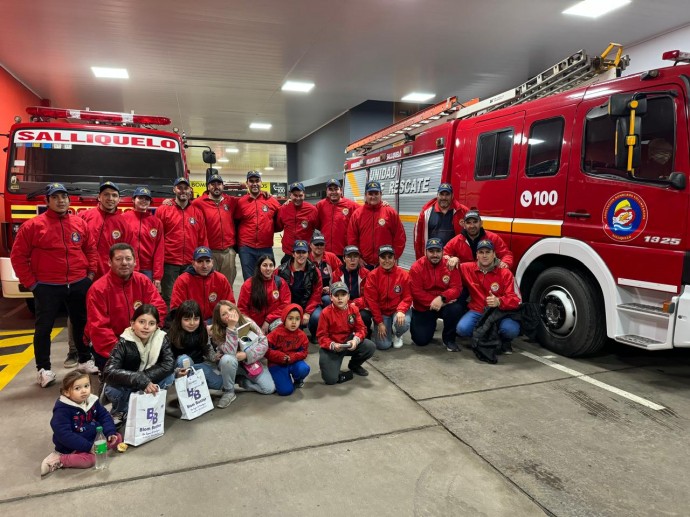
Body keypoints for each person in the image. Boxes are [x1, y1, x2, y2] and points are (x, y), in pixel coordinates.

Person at [10, 183, 99, 387]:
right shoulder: (32, 226)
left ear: (69, 200)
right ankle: (44, 369)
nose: (61, 200)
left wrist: (90, 275)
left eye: (64, 197)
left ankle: (84, 359)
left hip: (78, 283)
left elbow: (90, 249)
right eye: (56, 197)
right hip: (47, 286)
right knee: (44, 328)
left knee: (81, 323)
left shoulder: (79, 223)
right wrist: (32, 284)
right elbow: (18, 257)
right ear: (47, 201)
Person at [86, 243, 167, 371]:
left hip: (143, 337)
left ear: (135, 262)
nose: (124, 263)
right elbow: (99, 329)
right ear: (109, 262)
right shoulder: (98, 290)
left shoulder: (143, 281)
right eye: (118, 259)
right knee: (117, 388)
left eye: (128, 258)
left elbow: (159, 308)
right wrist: (124, 352)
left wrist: (147, 335)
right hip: (114, 344)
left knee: (165, 372)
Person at [102, 304, 175, 424]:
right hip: (127, 385)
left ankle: (148, 405)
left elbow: (168, 364)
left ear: (157, 326)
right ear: (132, 323)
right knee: (112, 390)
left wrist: (144, 379)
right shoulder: (123, 342)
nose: (146, 327)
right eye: (141, 322)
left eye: (151, 323)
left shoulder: (161, 338)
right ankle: (120, 410)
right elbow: (108, 372)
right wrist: (138, 379)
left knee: (169, 377)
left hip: (146, 381)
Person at [41, 369, 122, 476]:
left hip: (93, 439)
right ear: (66, 392)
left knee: (118, 437)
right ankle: (60, 460)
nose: (84, 391)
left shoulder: (92, 401)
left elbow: (104, 416)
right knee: (89, 461)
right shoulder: (62, 409)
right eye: (77, 388)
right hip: (73, 447)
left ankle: (101, 447)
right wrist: (88, 447)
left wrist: (110, 433)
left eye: (86, 386)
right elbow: (64, 434)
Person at [166, 300, 239, 409]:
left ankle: (200, 389)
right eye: (187, 319)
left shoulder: (202, 330)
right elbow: (167, 359)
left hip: (199, 366)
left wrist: (214, 357)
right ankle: (186, 396)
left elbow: (207, 348)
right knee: (184, 360)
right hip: (180, 368)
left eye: (196, 319)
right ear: (179, 319)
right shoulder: (170, 334)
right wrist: (175, 373)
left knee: (220, 384)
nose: (192, 323)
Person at [456, 240, 522, 351]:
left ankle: (504, 341)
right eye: (481, 252)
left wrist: (499, 301)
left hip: (501, 312)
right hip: (478, 310)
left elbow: (517, 300)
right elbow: (446, 267)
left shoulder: (505, 273)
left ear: (494, 254)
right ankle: (484, 338)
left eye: (488, 252)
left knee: (511, 330)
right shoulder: (466, 268)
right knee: (462, 329)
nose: (484, 255)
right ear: (477, 255)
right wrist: (452, 259)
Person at [207, 300, 275, 403]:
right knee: (227, 359)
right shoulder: (218, 331)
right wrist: (231, 327)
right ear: (219, 319)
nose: (229, 314)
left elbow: (264, 342)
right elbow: (230, 352)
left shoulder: (247, 321)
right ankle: (229, 391)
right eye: (224, 314)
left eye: (230, 309)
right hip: (231, 365)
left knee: (269, 388)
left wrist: (247, 355)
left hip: (251, 363)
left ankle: (242, 381)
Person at [156, 177, 208, 305]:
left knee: (190, 296)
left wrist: (203, 259)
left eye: (186, 188)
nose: (183, 191)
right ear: (174, 190)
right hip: (169, 262)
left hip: (190, 263)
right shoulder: (163, 210)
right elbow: (158, 238)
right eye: (180, 188)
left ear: (190, 190)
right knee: (169, 296)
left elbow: (202, 237)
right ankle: (170, 324)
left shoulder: (197, 212)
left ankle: (189, 323)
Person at [409, 238, 464, 351]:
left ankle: (448, 339)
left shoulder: (450, 265)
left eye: (438, 251)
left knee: (456, 308)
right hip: (424, 307)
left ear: (443, 252)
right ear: (425, 252)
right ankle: (429, 325)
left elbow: (457, 287)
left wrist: (442, 298)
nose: (435, 255)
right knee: (420, 340)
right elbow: (416, 292)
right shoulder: (416, 267)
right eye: (431, 251)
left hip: (444, 303)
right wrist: (435, 302)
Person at [317, 281, 376, 385]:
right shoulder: (325, 313)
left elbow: (361, 329)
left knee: (370, 346)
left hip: (348, 343)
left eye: (343, 295)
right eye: (336, 295)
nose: (340, 298)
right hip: (332, 347)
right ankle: (332, 368)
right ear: (331, 297)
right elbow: (321, 336)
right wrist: (333, 345)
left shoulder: (354, 309)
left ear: (348, 296)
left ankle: (354, 365)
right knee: (330, 380)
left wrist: (355, 340)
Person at [363, 245, 413, 350]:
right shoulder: (372, 276)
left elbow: (408, 296)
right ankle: (388, 327)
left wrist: (401, 310)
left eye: (390, 257)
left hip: (397, 310)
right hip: (382, 313)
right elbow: (372, 302)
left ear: (395, 258)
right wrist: (379, 322)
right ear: (379, 259)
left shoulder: (404, 275)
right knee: (383, 345)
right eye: (383, 257)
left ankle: (398, 334)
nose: (387, 260)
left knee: (401, 323)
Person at [193, 174, 239, 287]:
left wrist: (264, 193)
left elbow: (250, 199)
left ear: (223, 186)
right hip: (209, 253)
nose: (216, 186)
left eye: (219, 184)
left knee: (227, 286)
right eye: (213, 184)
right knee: (209, 286)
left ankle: (226, 305)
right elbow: (182, 204)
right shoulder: (198, 203)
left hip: (228, 252)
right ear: (208, 187)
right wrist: (170, 201)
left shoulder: (231, 201)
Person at [347, 180, 406, 268]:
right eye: (370, 194)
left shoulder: (390, 212)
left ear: (381, 194)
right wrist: (357, 258)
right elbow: (352, 239)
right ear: (365, 195)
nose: (373, 197)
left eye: (376, 193)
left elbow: (400, 237)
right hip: (364, 265)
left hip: (386, 264)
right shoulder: (357, 214)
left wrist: (393, 258)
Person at [234, 170, 281, 280]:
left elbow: (281, 216)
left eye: (257, 181)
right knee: (249, 279)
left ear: (261, 182)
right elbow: (235, 222)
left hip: (266, 247)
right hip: (246, 248)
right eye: (251, 181)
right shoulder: (240, 202)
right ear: (247, 183)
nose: (254, 183)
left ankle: (266, 297)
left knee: (268, 278)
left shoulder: (271, 200)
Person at [170, 246, 235, 323]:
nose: (204, 266)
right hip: (191, 322)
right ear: (193, 263)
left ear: (212, 263)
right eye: (200, 261)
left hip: (216, 322)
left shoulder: (221, 279)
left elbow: (230, 305)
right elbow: (177, 308)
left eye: (208, 261)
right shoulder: (183, 280)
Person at [79, 181, 130, 278]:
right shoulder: (83, 216)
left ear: (119, 199)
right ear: (99, 197)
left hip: (109, 275)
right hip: (83, 273)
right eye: (106, 194)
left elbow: (130, 251)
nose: (110, 198)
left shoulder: (124, 224)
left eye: (114, 195)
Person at [276, 240, 323, 339]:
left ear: (308, 254)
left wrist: (308, 312)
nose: (301, 255)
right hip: (288, 306)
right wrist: (288, 311)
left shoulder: (315, 271)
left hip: (307, 306)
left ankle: (314, 334)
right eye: (298, 252)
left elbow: (317, 294)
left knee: (317, 317)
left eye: (304, 252)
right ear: (293, 254)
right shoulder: (280, 271)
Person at [121, 186, 164, 291]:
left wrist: (157, 276)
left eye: (147, 199)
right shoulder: (123, 218)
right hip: (126, 267)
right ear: (133, 200)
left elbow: (159, 250)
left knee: (145, 300)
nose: (143, 201)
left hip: (148, 270)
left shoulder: (156, 222)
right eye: (140, 198)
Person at [237, 255, 291, 334]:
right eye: (265, 265)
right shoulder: (248, 284)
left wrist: (268, 320)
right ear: (259, 267)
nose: (268, 269)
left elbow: (285, 305)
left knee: (283, 327)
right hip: (253, 323)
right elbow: (242, 308)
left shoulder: (280, 282)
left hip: (272, 321)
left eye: (271, 265)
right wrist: (252, 325)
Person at [413, 183, 468, 260]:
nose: (444, 197)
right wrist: (420, 260)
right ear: (437, 195)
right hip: (432, 259)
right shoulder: (425, 212)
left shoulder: (463, 211)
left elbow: (471, 236)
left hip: (453, 260)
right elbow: (417, 239)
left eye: (447, 194)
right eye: (441, 194)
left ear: (452, 196)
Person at [265, 303, 311, 396]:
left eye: (297, 319)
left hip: (293, 362)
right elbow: (266, 351)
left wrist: (293, 357)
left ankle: (297, 379)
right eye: (290, 318)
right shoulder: (275, 333)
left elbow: (304, 352)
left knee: (304, 369)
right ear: (284, 318)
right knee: (285, 391)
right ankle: (284, 378)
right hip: (277, 364)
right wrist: (281, 357)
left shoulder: (302, 335)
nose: (294, 322)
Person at [444, 210, 514, 270]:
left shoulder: (493, 238)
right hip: (465, 279)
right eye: (468, 223)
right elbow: (443, 255)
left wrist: (505, 263)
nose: (472, 226)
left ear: (481, 223)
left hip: (488, 277)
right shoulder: (456, 241)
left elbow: (506, 254)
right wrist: (451, 259)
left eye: (475, 222)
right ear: (464, 225)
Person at [331, 245, 372, 334]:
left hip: (360, 306)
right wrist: (347, 305)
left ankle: (365, 334)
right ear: (344, 259)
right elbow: (335, 295)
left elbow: (369, 296)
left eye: (355, 256)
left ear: (359, 259)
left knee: (364, 316)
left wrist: (355, 304)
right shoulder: (336, 274)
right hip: (342, 305)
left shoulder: (366, 273)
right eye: (349, 257)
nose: (352, 260)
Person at [315, 178, 359, 260]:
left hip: (344, 252)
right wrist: (290, 202)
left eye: (336, 189)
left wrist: (383, 205)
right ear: (327, 191)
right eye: (330, 189)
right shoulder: (320, 205)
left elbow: (366, 211)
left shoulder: (351, 206)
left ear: (341, 190)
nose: (333, 192)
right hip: (324, 252)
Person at [276, 181, 318, 262]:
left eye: (300, 195)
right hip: (289, 252)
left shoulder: (312, 210)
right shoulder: (283, 209)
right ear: (290, 195)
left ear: (304, 195)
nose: (298, 198)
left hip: (305, 251)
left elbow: (316, 227)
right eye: (295, 195)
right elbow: (279, 226)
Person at [308, 230, 342, 302]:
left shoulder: (331, 257)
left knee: (327, 299)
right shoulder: (306, 259)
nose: (319, 247)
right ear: (310, 245)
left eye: (321, 244)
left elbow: (342, 274)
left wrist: (332, 288)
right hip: (311, 295)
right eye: (316, 244)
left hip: (330, 294)